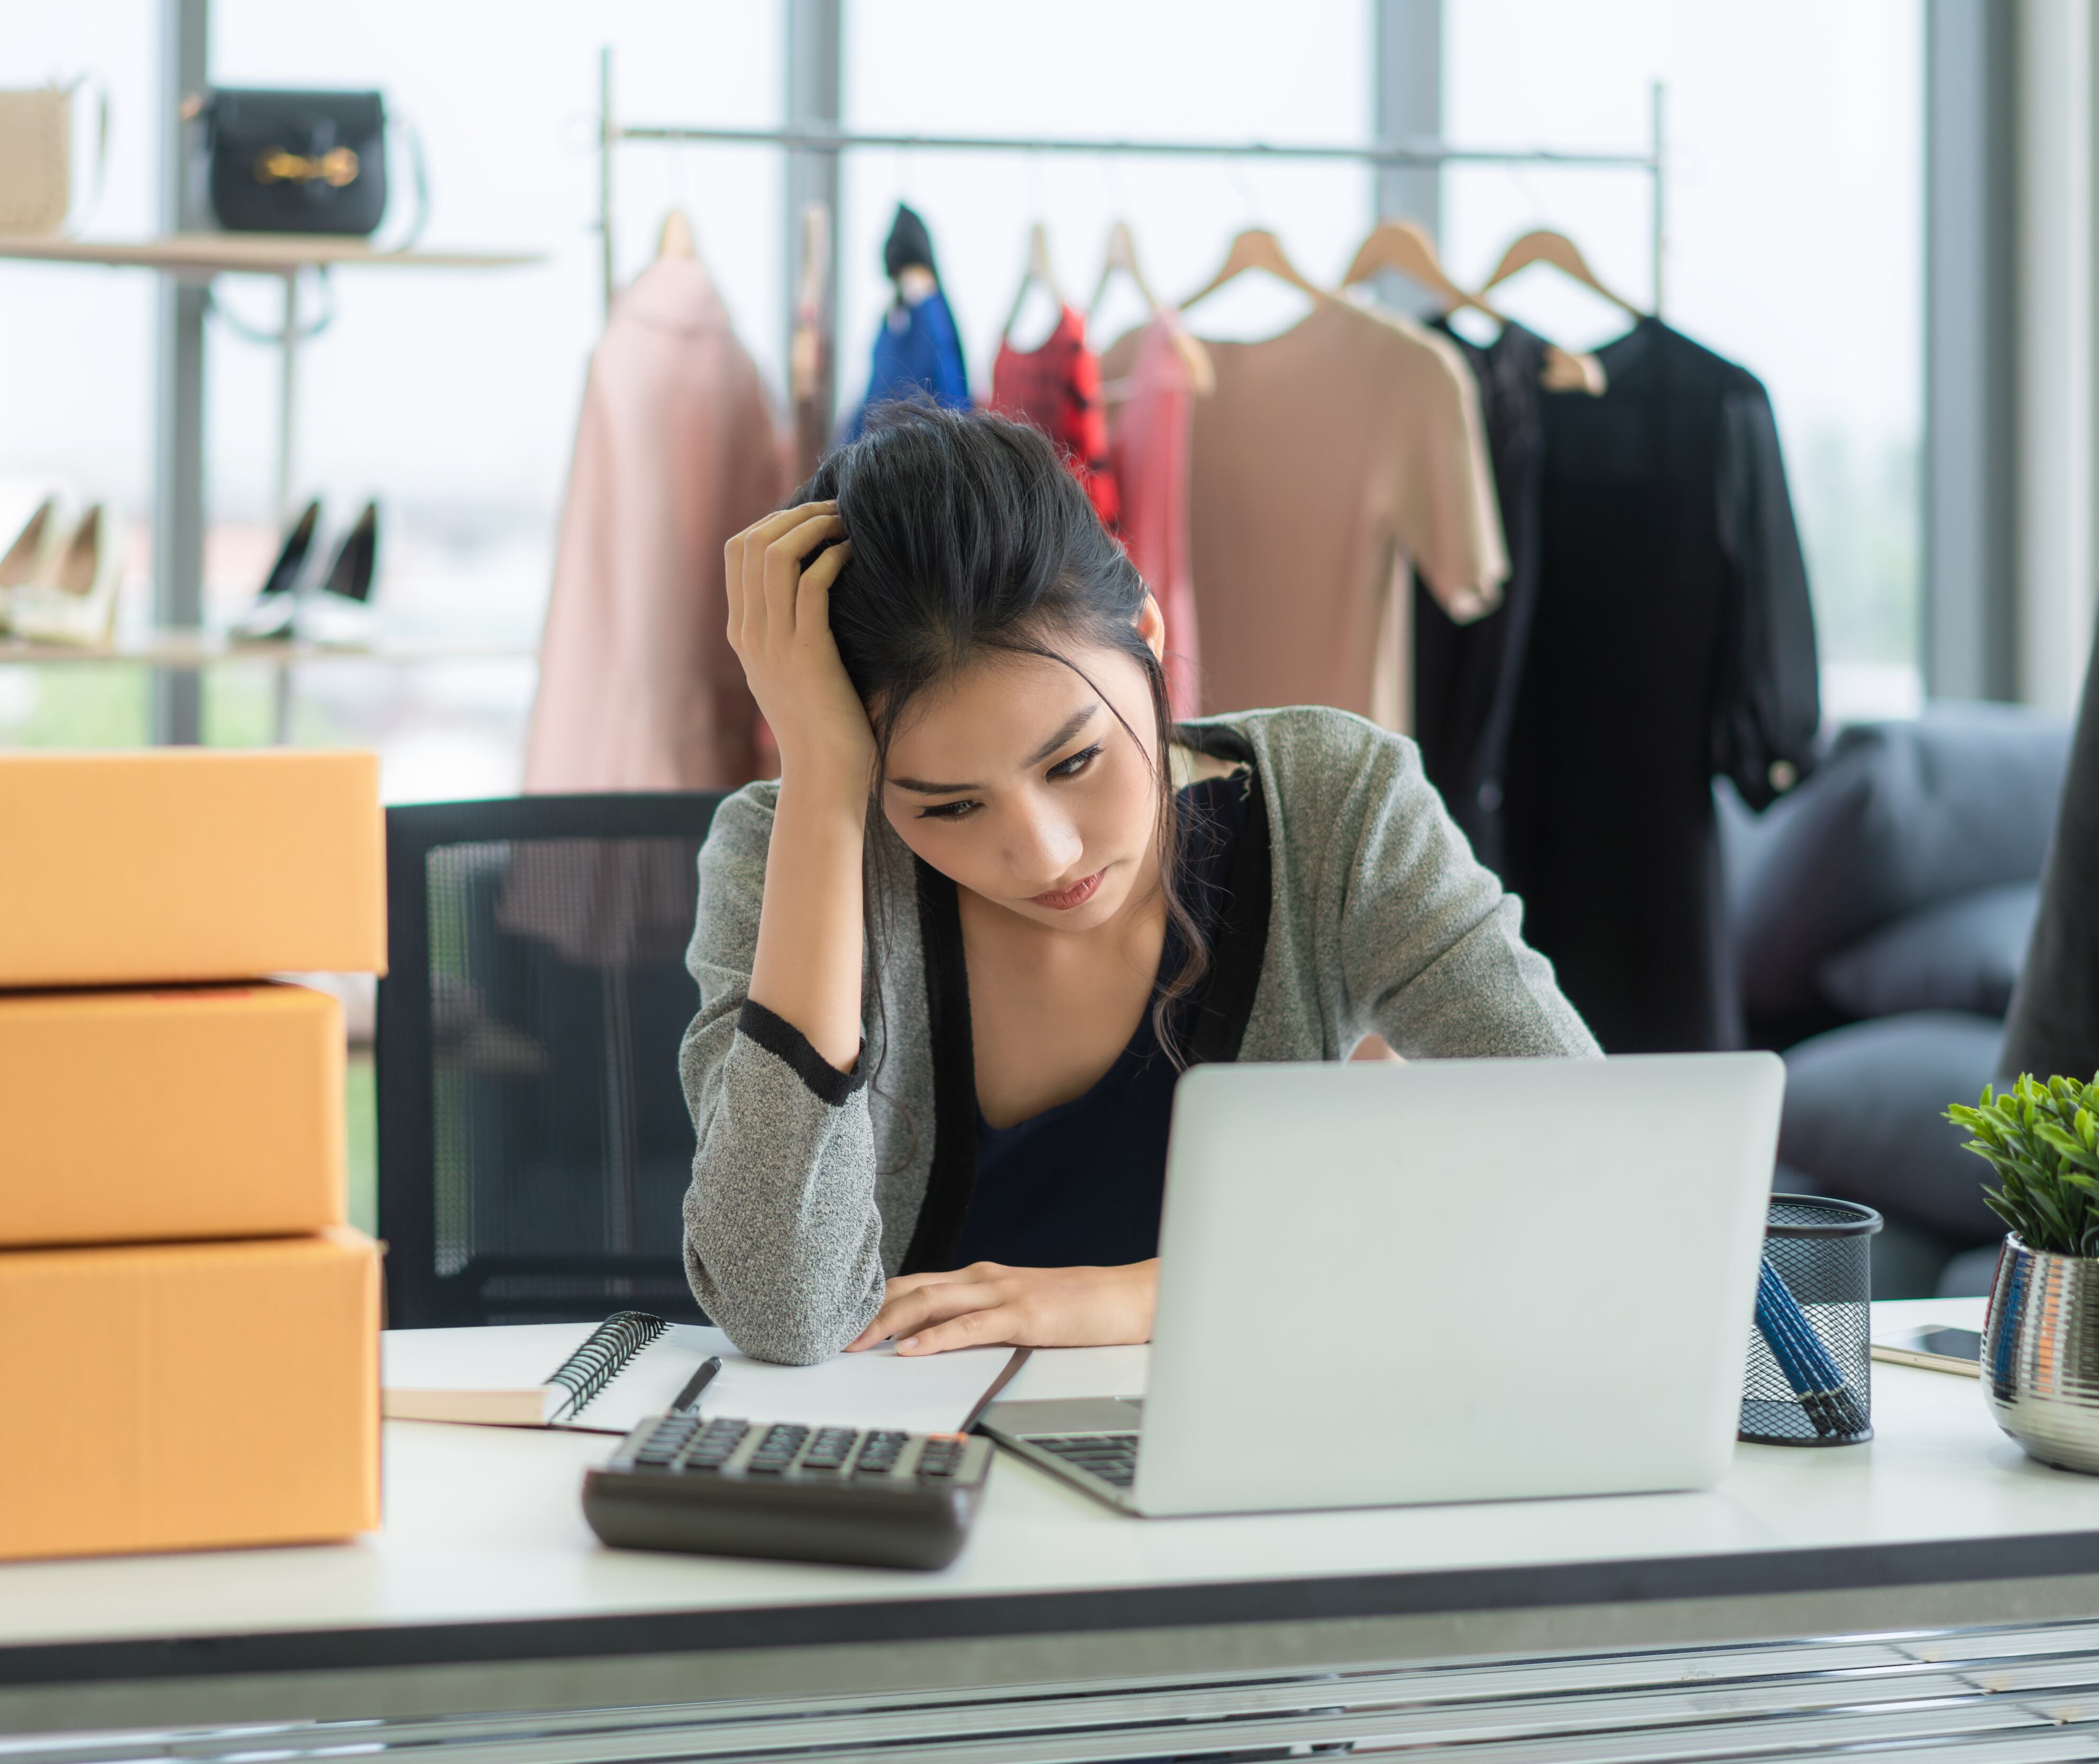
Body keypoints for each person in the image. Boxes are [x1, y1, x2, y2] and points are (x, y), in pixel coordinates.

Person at [680, 403, 1596, 1366]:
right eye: (948, 806)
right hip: (919, 1476)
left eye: (1073, 762)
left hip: (1259, 1455)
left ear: (1151, 640)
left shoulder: (1339, 807)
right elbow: (782, 1311)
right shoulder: (784, 855)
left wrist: (1156, 1293)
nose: (1044, 856)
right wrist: (822, 780)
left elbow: (1594, 1167)